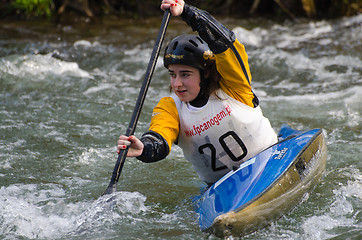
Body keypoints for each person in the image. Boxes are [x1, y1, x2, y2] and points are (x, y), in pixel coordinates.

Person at [117, 0, 278, 186]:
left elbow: (225, 43)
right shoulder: (171, 107)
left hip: (270, 161)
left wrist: (187, 12)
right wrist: (145, 148)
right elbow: (160, 134)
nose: (177, 84)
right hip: (221, 188)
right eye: (172, 74)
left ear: (206, 72)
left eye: (185, 74)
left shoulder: (234, 87)